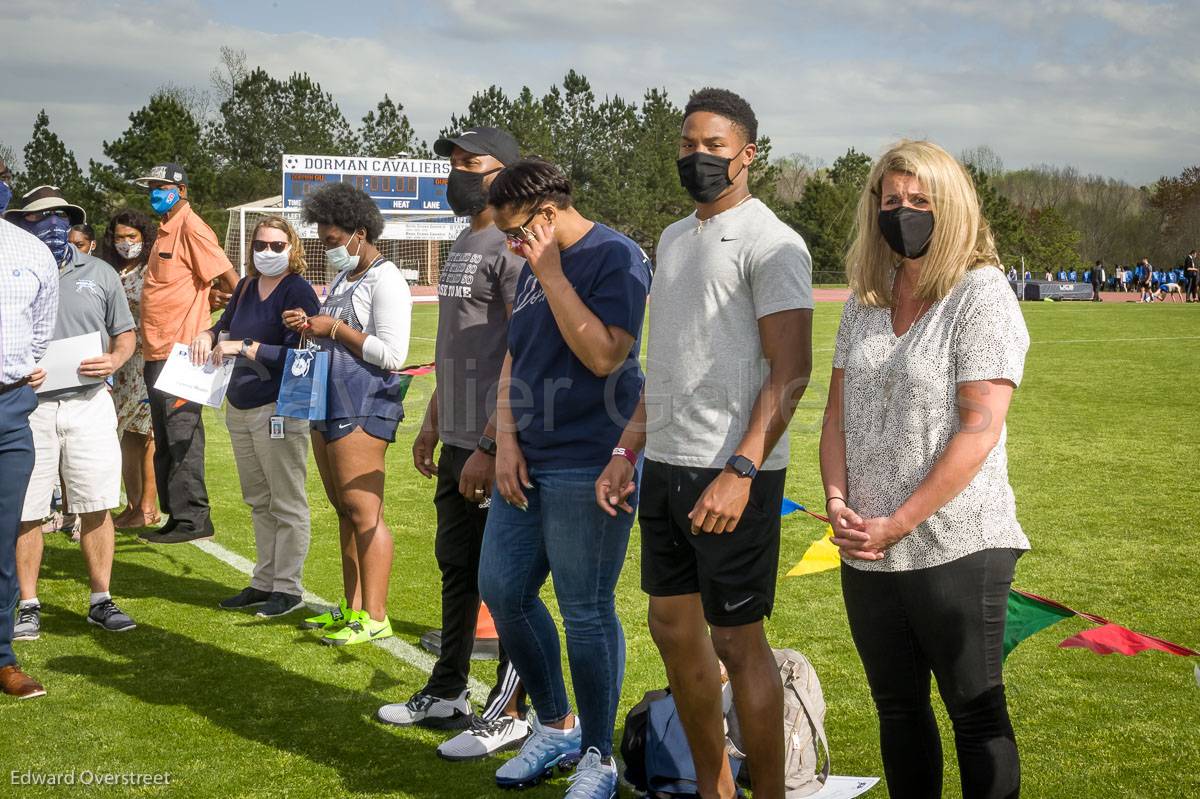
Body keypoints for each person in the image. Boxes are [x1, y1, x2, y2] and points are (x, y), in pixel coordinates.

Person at [598, 88, 813, 799]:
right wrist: (627, 450)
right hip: (665, 464)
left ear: (747, 155)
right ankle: (714, 789)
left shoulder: (772, 241)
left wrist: (743, 468)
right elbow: (667, 366)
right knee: (670, 626)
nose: (698, 157)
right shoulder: (671, 237)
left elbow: (792, 372)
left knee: (737, 642)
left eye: (713, 147)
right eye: (688, 145)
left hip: (734, 475)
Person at [820, 140, 1029, 799]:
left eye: (919, 201)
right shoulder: (867, 299)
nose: (903, 211)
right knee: (898, 709)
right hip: (866, 548)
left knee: (975, 710)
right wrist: (837, 501)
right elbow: (835, 417)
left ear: (954, 208)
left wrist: (898, 522)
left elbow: (978, 428)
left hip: (958, 543)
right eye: (891, 200)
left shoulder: (982, 293)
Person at [476, 158, 651, 799]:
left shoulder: (616, 256)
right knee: (502, 587)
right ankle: (556, 725)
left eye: (519, 231)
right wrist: (505, 440)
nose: (514, 246)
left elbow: (606, 355)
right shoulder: (531, 267)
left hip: (593, 455)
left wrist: (549, 272)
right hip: (531, 454)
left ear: (547, 215)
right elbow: (514, 357)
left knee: (585, 611)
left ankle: (600, 756)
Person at [376, 127, 530, 761]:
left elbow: (522, 350)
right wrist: (436, 420)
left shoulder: (517, 247)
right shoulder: (465, 237)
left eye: (473, 164)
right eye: (455, 164)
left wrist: (494, 443)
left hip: (499, 445)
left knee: (509, 583)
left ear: (508, 173)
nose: (459, 173)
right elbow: (459, 347)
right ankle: (448, 691)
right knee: (458, 569)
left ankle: (512, 708)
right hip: (459, 436)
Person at [4, 187, 138, 643]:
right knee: (28, 510)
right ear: (23, 221)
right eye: (44, 216)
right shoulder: (11, 271)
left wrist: (115, 361)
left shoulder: (100, 272)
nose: (56, 224)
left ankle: (101, 599)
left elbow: (125, 336)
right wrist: (21, 369)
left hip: (89, 402)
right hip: (31, 407)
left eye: (63, 216)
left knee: (96, 503)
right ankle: (28, 605)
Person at [282, 182, 411, 646]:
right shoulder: (344, 278)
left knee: (364, 510)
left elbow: (393, 354)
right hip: (329, 399)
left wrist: (333, 327)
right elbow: (333, 336)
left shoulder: (386, 278)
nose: (328, 248)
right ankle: (352, 607)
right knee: (343, 510)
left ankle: (376, 615)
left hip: (364, 403)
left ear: (360, 232)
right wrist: (308, 327)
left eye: (334, 240)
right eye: (323, 240)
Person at [191, 216, 320, 619]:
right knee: (259, 501)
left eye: (277, 245)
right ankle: (264, 581)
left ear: (292, 248)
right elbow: (224, 326)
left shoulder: (297, 290)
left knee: (286, 501)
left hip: (277, 407)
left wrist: (244, 348)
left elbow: (302, 357)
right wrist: (208, 335)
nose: (267, 252)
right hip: (240, 405)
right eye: (261, 245)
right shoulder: (245, 286)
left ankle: (288, 587)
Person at [134, 162, 238, 544]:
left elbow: (231, 281)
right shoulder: (165, 229)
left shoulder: (192, 228)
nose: (154, 192)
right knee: (165, 440)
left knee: (182, 439)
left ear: (180, 190)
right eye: (151, 187)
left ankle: (193, 519)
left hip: (183, 355)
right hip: (157, 352)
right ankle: (176, 517)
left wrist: (222, 326)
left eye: (160, 186)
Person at [0, 189, 56, 700]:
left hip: (9, 408)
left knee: (4, 541)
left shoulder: (30, 250)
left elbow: (40, 336)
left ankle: (2, 657)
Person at [98, 210, 160, 529]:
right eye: (120, 237)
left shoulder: (152, 269)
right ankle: (133, 503)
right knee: (123, 437)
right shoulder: (107, 270)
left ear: (143, 238)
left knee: (147, 435)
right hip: (117, 364)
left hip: (146, 360)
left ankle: (148, 507)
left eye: (131, 237)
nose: (125, 243)